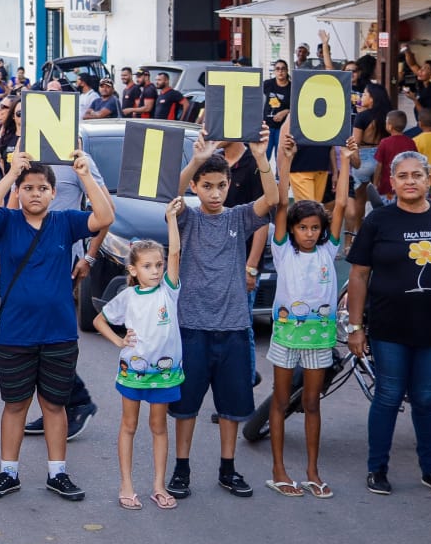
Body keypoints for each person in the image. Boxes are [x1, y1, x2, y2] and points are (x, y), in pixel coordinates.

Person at [0, 149, 112, 502]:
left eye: (42, 188)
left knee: (54, 405)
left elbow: (105, 215)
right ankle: (8, 472)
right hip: (16, 333)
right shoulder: (7, 221)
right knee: (15, 405)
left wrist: (84, 174)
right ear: (18, 192)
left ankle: (58, 472)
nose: (35, 193)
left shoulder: (65, 221)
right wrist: (10, 173)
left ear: (53, 193)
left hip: (59, 333)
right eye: (28, 187)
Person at [167, 128, 277, 501]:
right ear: (195, 187)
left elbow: (273, 199)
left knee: (231, 408)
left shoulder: (239, 218)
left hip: (232, 329)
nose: (215, 193)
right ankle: (181, 469)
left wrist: (261, 156)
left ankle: (227, 468)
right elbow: (169, 195)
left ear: (230, 184)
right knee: (185, 408)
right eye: (207, 185)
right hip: (192, 328)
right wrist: (195, 160)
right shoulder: (188, 219)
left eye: (221, 185)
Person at [346, 150, 431, 497]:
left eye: (417, 175)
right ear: (391, 182)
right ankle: (377, 468)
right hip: (388, 327)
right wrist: (354, 327)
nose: (410, 181)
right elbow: (359, 275)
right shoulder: (379, 220)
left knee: (426, 399)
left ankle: (430, 470)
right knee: (389, 396)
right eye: (403, 176)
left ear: (428, 180)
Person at [263, 134, 348, 499]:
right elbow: (281, 203)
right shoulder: (284, 252)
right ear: (292, 230)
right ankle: (279, 469)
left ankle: (312, 471)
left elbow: (341, 201)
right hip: (286, 337)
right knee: (280, 402)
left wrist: (344, 158)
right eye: (303, 228)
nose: (310, 234)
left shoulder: (328, 251)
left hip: (320, 339)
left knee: (311, 404)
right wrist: (286, 159)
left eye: (315, 228)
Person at [94, 201, 184, 511]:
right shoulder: (128, 296)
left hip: (165, 373)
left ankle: (158, 485)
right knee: (129, 426)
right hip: (133, 371)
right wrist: (119, 341)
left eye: (158, 265)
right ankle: (127, 485)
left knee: (159, 426)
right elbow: (98, 320)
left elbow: (174, 252)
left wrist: (171, 218)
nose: (156, 270)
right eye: (148, 266)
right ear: (133, 269)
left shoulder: (168, 290)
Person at [263, 60, 291, 148]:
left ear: (287, 71)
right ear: (274, 71)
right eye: (277, 69)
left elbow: (297, 107)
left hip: (283, 127)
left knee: (280, 156)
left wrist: (286, 111)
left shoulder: (292, 87)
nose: (280, 71)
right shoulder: (267, 84)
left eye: (283, 69)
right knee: (264, 155)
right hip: (267, 126)